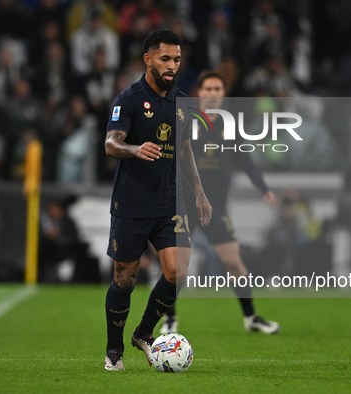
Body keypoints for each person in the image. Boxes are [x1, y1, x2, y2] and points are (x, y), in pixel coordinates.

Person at [103, 29, 212, 371]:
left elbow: (185, 151)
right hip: (132, 202)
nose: (172, 66)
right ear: (148, 59)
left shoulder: (181, 102)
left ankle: (144, 333)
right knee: (125, 278)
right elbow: (110, 144)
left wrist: (199, 192)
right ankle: (113, 350)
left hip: (170, 202)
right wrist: (134, 148)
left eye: (177, 59)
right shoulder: (129, 100)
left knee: (178, 272)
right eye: (165, 58)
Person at [161, 70, 280, 335]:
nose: (213, 94)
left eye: (218, 89)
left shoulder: (229, 126)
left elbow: (246, 160)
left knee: (234, 262)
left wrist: (264, 189)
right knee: (177, 269)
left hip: (216, 208)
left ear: (223, 94)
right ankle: (169, 319)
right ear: (199, 93)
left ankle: (251, 318)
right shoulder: (186, 120)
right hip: (184, 206)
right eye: (208, 89)